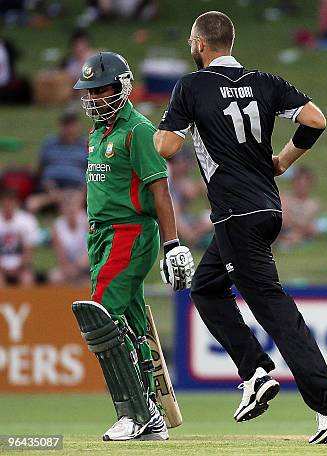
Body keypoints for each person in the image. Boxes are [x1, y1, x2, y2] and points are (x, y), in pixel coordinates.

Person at [154, 11, 327, 445]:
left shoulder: (191, 86)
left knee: (272, 307)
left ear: (199, 44)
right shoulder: (265, 81)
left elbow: (166, 147)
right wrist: (283, 159)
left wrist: (157, 130)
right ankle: (256, 371)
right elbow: (315, 119)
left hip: (234, 214)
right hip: (267, 209)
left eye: (193, 44)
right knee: (206, 288)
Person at [71, 51, 194, 442]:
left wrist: (172, 244)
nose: (92, 98)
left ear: (122, 87)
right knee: (131, 326)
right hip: (101, 236)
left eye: (100, 89)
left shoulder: (138, 129)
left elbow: (160, 190)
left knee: (101, 316)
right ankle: (151, 416)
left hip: (130, 232)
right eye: (88, 92)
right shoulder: (97, 133)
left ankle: (133, 414)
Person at [27, 109, 87, 213]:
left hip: (76, 191)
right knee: (31, 204)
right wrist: (51, 190)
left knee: (75, 202)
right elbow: (41, 170)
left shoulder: (86, 145)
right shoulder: (49, 144)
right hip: (51, 190)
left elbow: (92, 172)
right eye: (66, 124)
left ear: (78, 125)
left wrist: (82, 192)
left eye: (72, 124)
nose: (69, 128)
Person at [48, 190, 89, 285]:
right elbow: (60, 254)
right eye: (68, 206)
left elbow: (92, 251)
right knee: (54, 277)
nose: (71, 209)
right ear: (62, 209)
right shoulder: (56, 226)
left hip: (86, 266)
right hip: (67, 267)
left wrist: (78, 267)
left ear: (79, 207)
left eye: (74, 206)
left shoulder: (87, 222)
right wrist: (68, 268)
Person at [0, 187, 38, 287]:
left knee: (27, 280)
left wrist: (20, 267)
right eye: (6, 201)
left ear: (16, 203)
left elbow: (29, 249)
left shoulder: (27, 220)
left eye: (11, 201)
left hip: (21, 266)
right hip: (1, 267)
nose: (8, 204)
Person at [279, 166, 319, 248]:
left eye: (305, 183)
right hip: (286, 231)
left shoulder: (313, 204)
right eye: (299, 182)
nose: (301, 186)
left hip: (302, 234)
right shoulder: (285, 198)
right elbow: (284, 220)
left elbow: (311, 227)